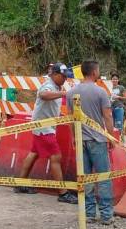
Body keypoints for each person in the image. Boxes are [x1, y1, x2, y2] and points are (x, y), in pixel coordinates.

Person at [13, 62, 78, 204]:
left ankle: (20, 183)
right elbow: (43, 95)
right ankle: (63, 193)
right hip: (44, 128)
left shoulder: (57, 86)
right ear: (54, 74)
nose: (65, 79)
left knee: (34, 153)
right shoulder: (48, 85)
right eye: (63, 76)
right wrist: (64, 93)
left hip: (43, 126)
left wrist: (60, 115)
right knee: (56, 156)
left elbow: (51, 104)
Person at [66, 60, 116, 224]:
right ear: (94, 72)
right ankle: (106, 214)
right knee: (103, 177)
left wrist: (73, 137)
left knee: (85, 178)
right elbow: (107, 116)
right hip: (97, 140)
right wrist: (110, 136)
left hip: (81, 140)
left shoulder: (71, 93)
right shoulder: (100, 92)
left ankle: (89, 214)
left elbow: (70, 119)